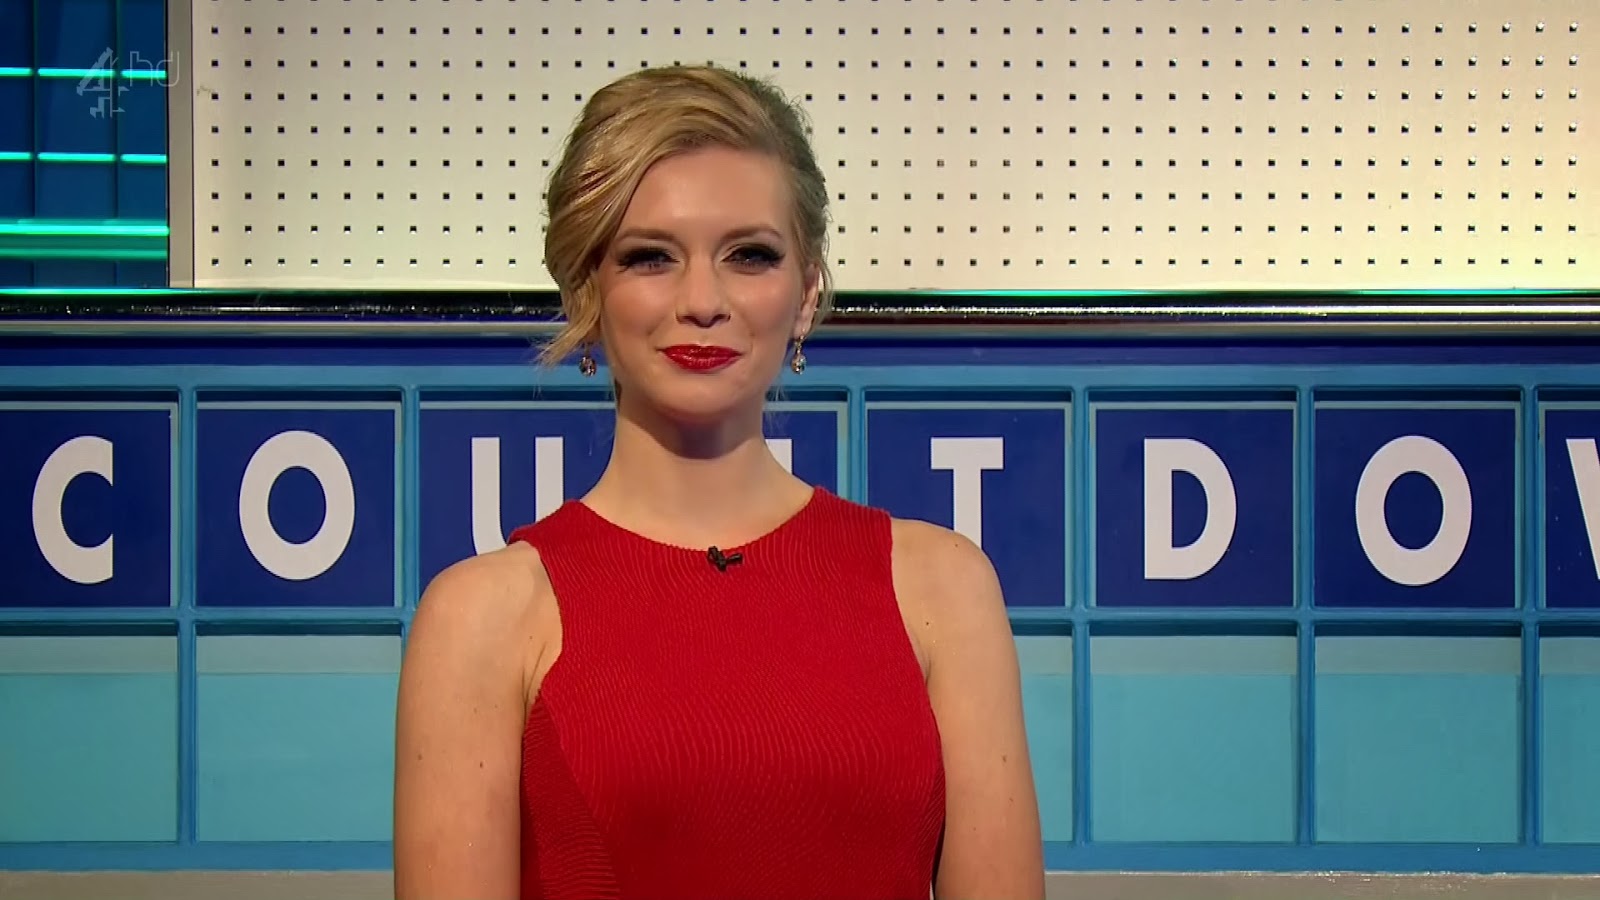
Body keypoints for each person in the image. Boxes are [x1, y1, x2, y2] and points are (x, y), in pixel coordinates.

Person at [393, 64, 1044, 900]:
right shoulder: (481, 618)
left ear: (805, 294)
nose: (702, 300)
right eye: (650, 257)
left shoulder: (943, 590)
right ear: (588, 290)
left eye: (749, 255)